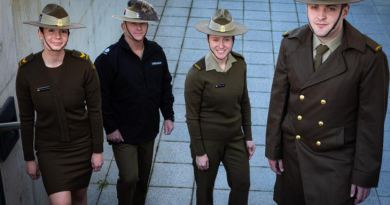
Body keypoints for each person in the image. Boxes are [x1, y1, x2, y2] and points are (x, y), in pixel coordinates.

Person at [265, 0, 389, 204]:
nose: (320, 16)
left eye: (330, 8)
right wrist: (273, 148)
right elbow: (278, 100)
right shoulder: (291, 43)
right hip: (294, 152)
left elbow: (371, 123)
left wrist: (364, 174)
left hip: (336, 160)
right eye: (314, 7)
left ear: (345, 11)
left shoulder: (369, 57)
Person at [16, 4, 104, 205]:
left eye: (63, 31)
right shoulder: (27, 71)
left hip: (82, 145)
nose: (58, 36)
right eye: (51, 31)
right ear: (40, 34)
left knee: (80, 196)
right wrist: (29, 158)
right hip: (50, 150)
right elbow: (27, 118)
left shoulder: (83, 66)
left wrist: (97, 150)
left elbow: (95, 110)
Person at [94, 0, 174, 204]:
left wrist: (168, 115)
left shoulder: (156, 52)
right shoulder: (109, 58)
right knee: (130, 177)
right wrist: (110, 128)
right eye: (133, 24)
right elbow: (101, 97)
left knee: (143, 180)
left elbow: (165, 85)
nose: (138, 28)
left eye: (143, 24)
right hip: (123, 132)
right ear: (123, 26)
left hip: (148, 128)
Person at [185, 9, 256, 205]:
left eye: (226, 40)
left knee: (242, 183)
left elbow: (244, 101)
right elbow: (191, 117)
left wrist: (248, 136)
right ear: (207, 40)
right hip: (207, 141)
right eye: (216, 39)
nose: (221, 45)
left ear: (233, 40)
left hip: (235, 138)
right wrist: (199, 152)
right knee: (205, 191)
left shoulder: (240, 64)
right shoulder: (197, 74)